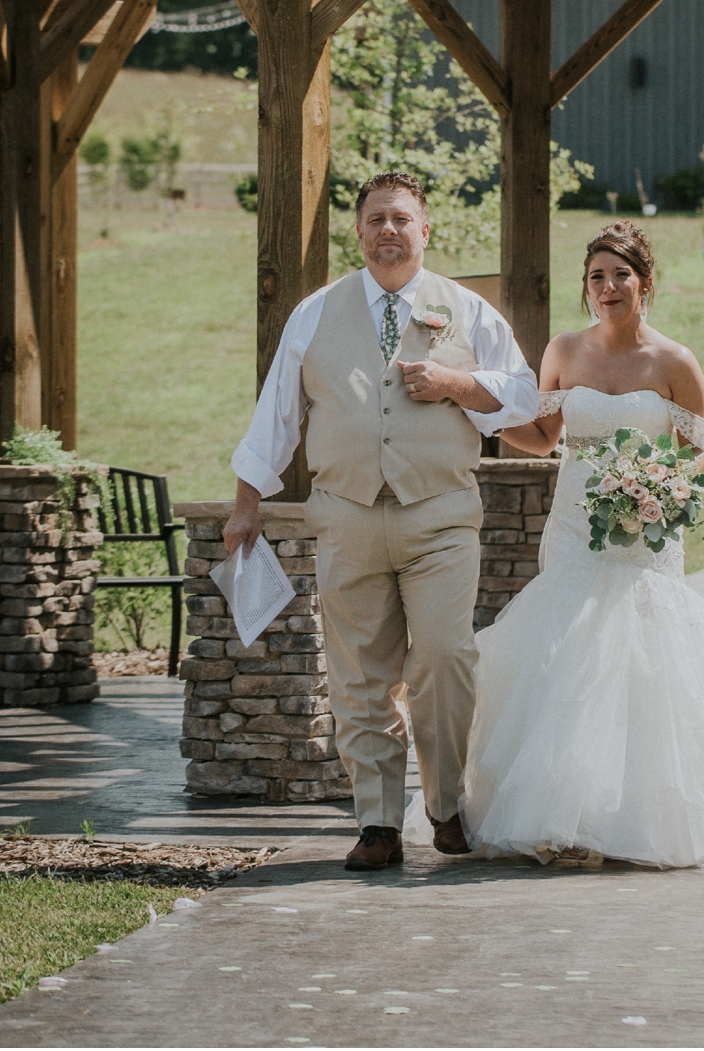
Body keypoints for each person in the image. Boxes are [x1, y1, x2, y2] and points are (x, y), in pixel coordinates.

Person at [460, 221, 704, 868]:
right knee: (568, 660)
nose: (607, 287)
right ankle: (562, 821)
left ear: (645, 282)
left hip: (643, 535)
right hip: (576, 526)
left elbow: (696, 460)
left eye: (620, 275)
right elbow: (544, 437)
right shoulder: (563, 350)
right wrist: (478, 407)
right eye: (596, 277)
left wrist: (654, 491)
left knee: (641, 659)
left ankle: (635, 819)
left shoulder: (674, 363)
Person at [224, 170, 538, 870]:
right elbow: (278, 411)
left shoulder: (467, 309)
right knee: (359, 676)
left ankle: (447, 803)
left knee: (446, 658)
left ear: (425, 230)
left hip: (440, 517)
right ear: (359, 231)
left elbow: (523, 396)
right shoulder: (315, 312)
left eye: (402, 218)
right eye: (376, 219)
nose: (389, 229)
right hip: (347, 517)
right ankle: (377, 821)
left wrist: (458, 384)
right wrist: (247, 503)